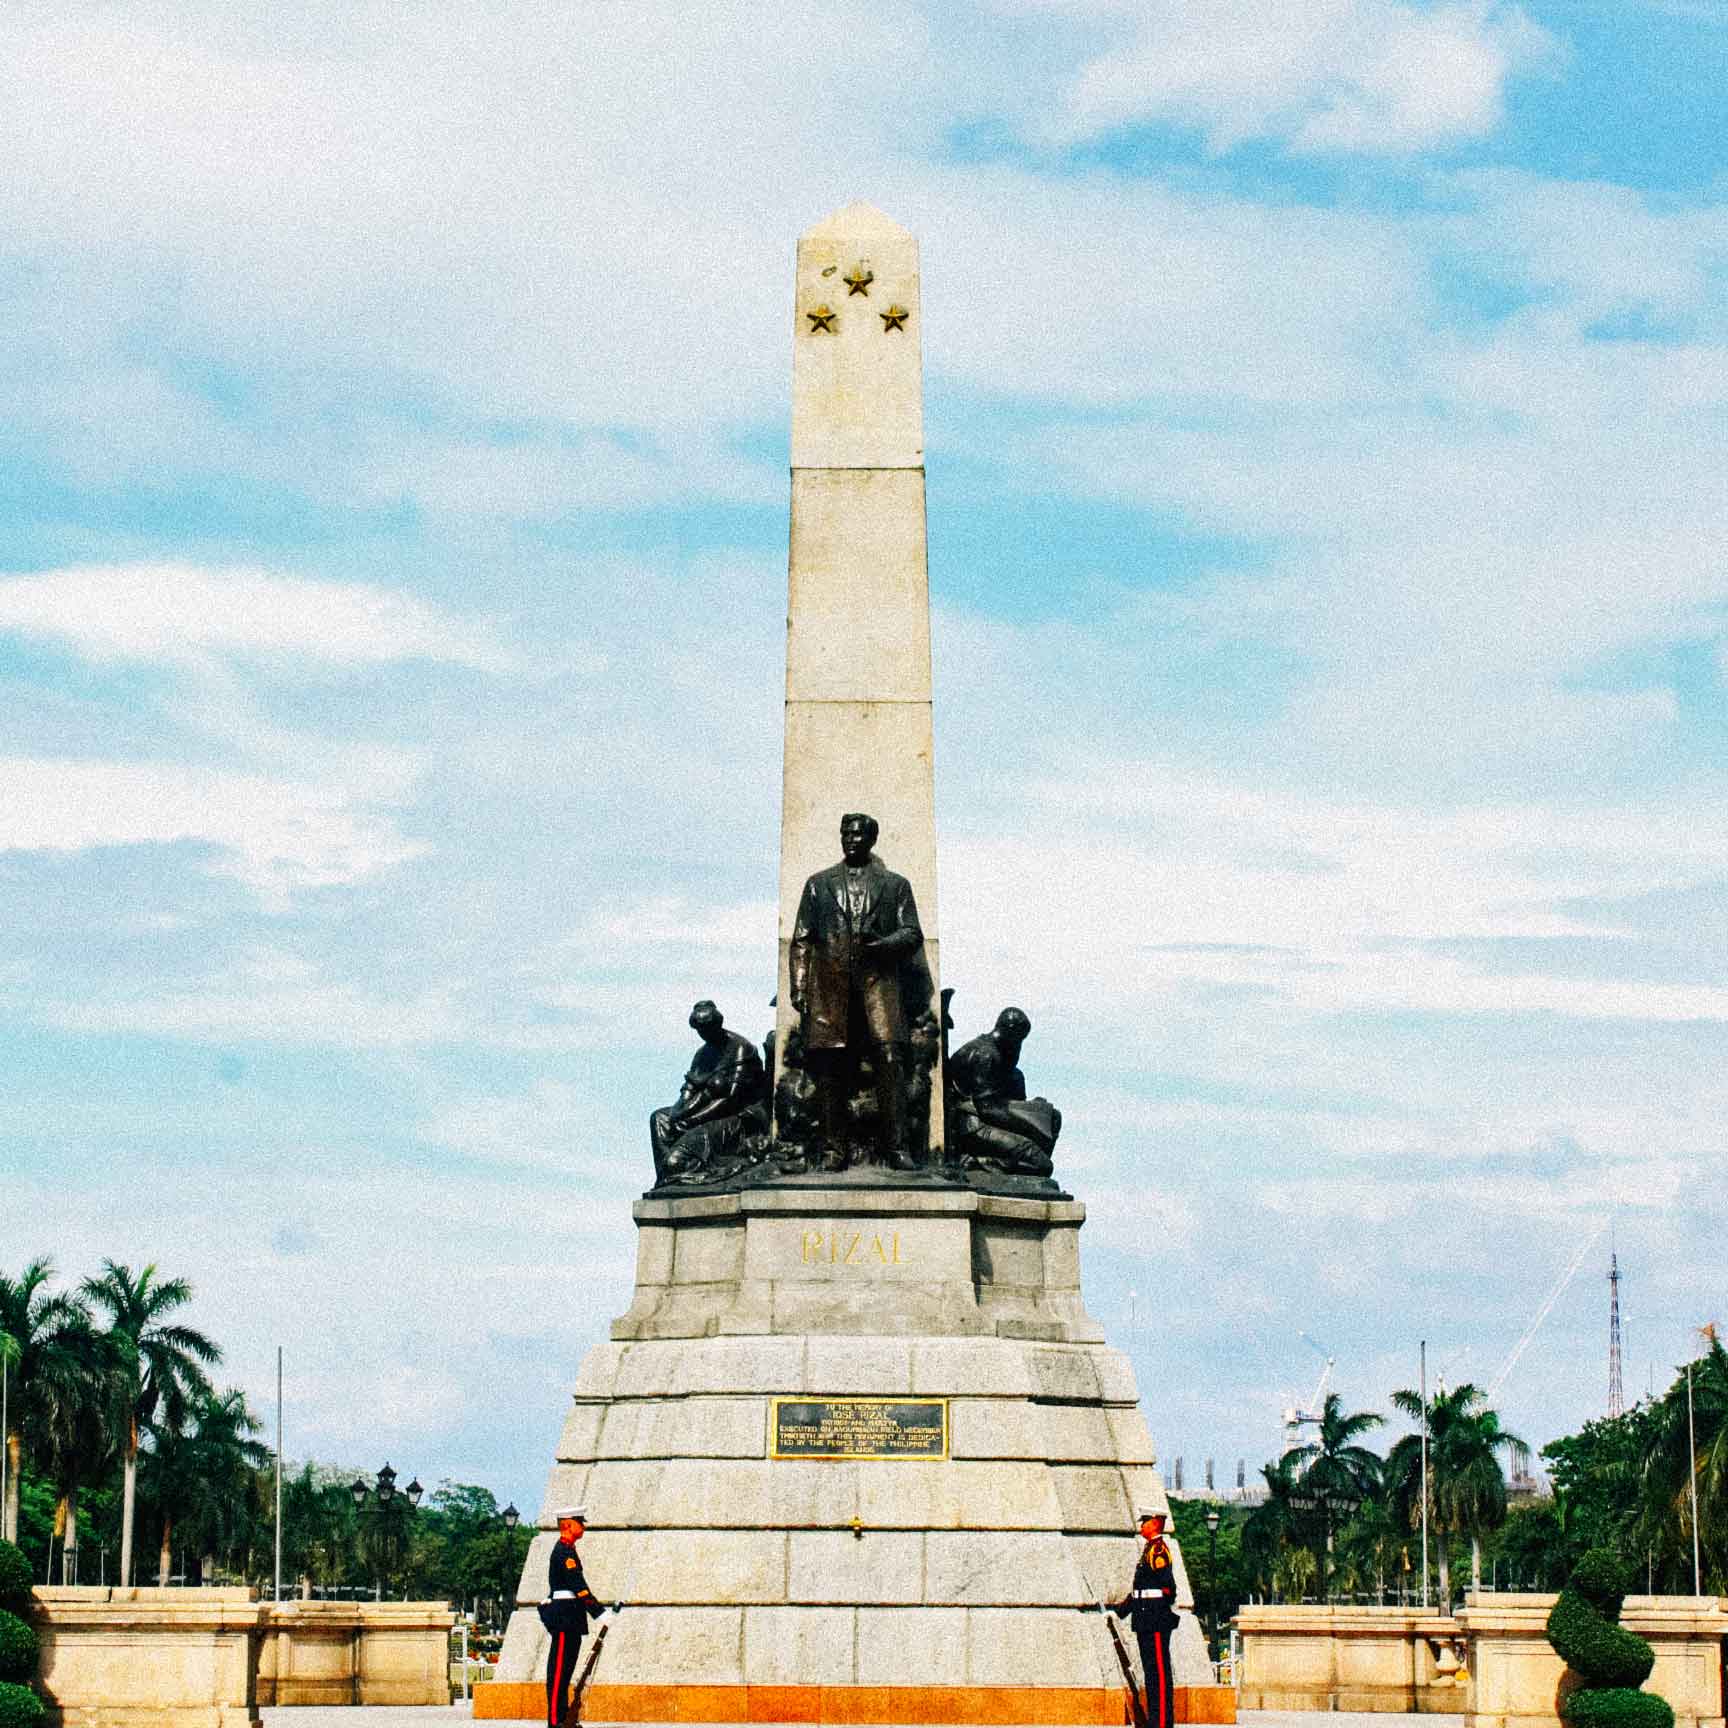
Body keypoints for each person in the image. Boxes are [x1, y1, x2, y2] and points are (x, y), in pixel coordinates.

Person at [788, 812, 927, 1167]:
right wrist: (799, 987)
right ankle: (834, 1148)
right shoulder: (818, 883)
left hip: (878, 986)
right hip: (831, 988)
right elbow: (802, 939)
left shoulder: (895, 884)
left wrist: (881, 946)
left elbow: (911, 933)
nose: (851, 839)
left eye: (858, 834)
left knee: (891, 1060)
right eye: (846, 833)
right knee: (831, 1067)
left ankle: (897, 1148)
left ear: (871, 839)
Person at [648, 1000, 769, 1186]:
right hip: (703, 1109)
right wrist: (676, 1114)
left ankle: (675, 1168)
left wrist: (692, 1120)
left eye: (707, 1028)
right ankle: (667, 1177)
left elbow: (731, 1099)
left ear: (717, 1024)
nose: (703, 1034)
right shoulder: (702, 1053)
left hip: (734, 1118)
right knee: (659, 1118)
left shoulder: (740, 1048)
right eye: (699, 1030)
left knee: (675, 1160)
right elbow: (688, 1089)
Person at [947, 1007, 1061, 1178]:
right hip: (973, 1126)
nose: (1019, 1045)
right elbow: (986, 1108)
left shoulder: (1004, 1061)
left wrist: (1033, 1109)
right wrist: (1031, 1125)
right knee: (1041, 1164)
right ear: (1010, 1032)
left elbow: (1009, 1100)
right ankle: (976, 1162)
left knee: (1053, 1117)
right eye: (1019, 1039)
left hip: (989, 1120)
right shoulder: (985, 1055)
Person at [539, 1505, 609, 1728]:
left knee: (566, 1670)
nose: (583, 1525)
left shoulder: (569, 1549)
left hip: (571, 1616)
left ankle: (564, 1717)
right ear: (568, 1524)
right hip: (564, 1616)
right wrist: (599, 1613)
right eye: (580, 1521)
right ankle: (556, 1721)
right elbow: (579, 1587)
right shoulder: (563, 1551)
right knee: (558, 1672)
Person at [1114, 1508, 1180, 1728]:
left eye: (1145, 1522)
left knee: (1160, 1675)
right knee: (1151, 1674)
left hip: (1156, 1620)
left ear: (1154, 1524)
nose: (1141, 1525)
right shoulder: (1148, 1550)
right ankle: (1155, 1720)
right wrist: (1119, 1612)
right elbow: (1139, 1592)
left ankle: (1161, 1723)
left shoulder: (1159, 1551)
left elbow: (1168, 1589)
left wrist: (1156, 1612)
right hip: (1145, 1620)